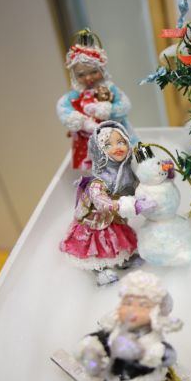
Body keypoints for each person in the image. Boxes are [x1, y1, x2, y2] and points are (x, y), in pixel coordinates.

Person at [60, 121, 151, 286]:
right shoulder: (100, 178)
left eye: (121, 142)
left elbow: (138, 180)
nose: (117, 147)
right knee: (98, 244)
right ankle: (100, 269)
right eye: (108, 145)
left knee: (118, 238)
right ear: (99, 152)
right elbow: (98, 197)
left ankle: (122, 260)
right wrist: (115, 205)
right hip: (96, 219)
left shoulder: (127, 169)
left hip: (115, 217)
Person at [56, 29, 133, 170]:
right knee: (95, 167)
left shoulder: (110, 89)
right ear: (74, 76)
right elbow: (62, 107)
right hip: (87, 142)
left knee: (121, 162)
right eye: (81, 75)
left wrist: (108, 110)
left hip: (115, 136)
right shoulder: (75, 95)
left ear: (102, 70)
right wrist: (80, 121)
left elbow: (125, 105)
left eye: (94, 72)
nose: (88, 78)